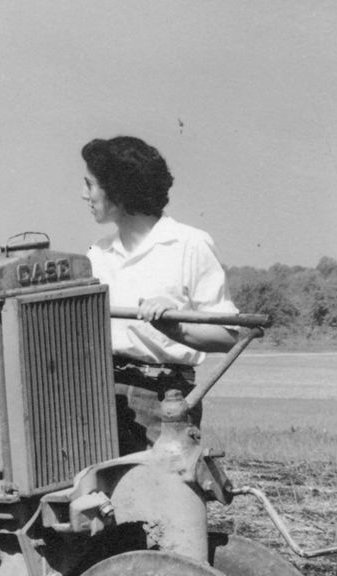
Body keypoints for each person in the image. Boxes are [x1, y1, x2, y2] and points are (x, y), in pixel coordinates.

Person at [81, 136, 238, 455]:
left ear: (117, 190)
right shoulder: (96, 253)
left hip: (164, 397)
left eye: (90, 185)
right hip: (100, 394)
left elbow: (226, 335)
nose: (84, 194)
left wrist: (176, 329)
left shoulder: (189, 244)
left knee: (165, 496)